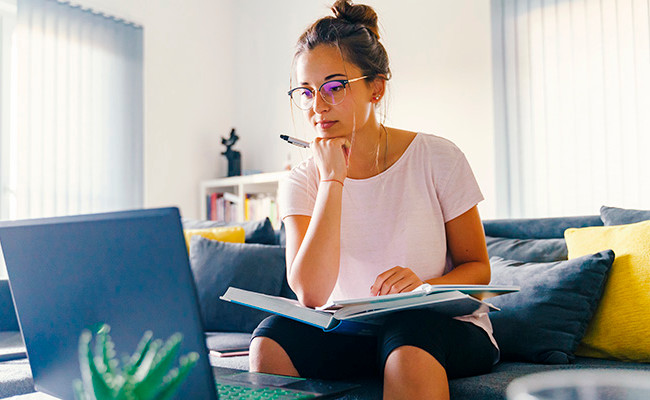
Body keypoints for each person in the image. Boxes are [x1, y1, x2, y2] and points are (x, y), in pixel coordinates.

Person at [249, 1, 498, 399]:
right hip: (352, 331)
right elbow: (310, 295)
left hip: (437, 328)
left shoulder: (438, 157)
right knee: (270, 338)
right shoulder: (301, 181)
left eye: (334, 87)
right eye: (307, 91)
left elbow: (478, 269)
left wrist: (422, 288)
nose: (318, 106)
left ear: (376, 88)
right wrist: (332, 179)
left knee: (408, 334)